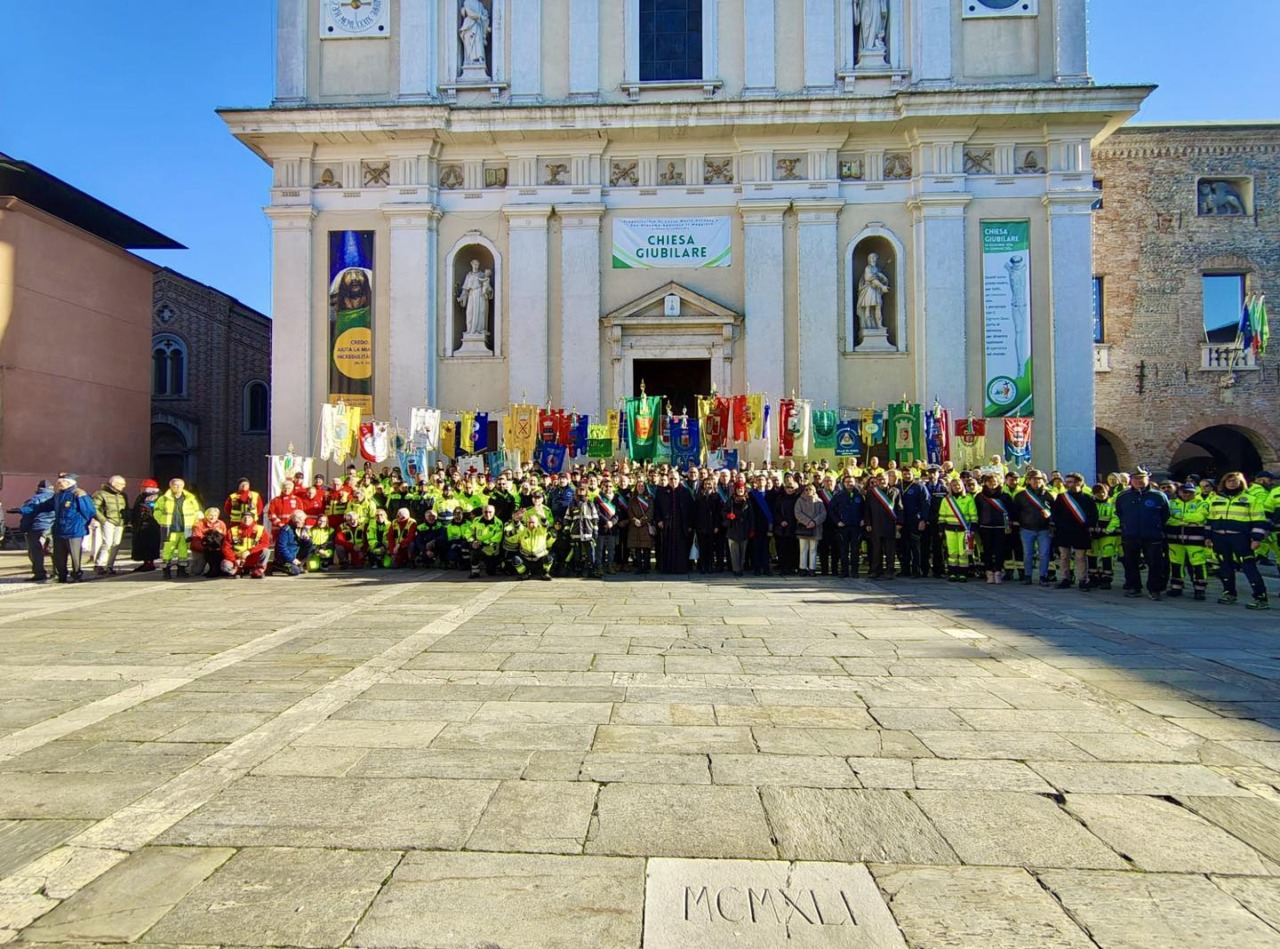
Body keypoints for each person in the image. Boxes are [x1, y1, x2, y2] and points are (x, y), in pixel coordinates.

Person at [1205, 471, 1269, 610]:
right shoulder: (1216, 499)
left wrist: (1256, 539)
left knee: (1248, 567)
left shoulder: (1251, 499)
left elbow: (1259, 520)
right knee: (1224, 566)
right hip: (1220, 537)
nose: (1232, 483)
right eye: (1229, 481)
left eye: (1235, 481)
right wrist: (1208, 536)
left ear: (1241, 483)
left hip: (1241, 537)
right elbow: (1210, 519)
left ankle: (1260, 597)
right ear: (1224, 483)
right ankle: (1229, 593)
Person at [28, 475, 98, 583]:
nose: (58, 484)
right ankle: (61, 576)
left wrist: (80, 524)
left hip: (74, 531)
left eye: (61, 482)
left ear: (69, 482)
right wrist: (23, 510)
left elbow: (89, 511)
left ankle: (76, 575)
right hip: (59, 531)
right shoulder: (58, 496)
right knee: (59, 557)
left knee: (75, 556)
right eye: (58, 482)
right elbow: (44, 506)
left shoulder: (79, 494)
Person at [1114, 469, 1170, 600]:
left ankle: (1154, 589)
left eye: (1142, 478)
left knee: (1155, 563)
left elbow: (1165, 514)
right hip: (1130, 534)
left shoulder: (1158, 496)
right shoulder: (1123, 496)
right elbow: (1120, 513)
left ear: (1148, 479)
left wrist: (1155, 526)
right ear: (1131, 480)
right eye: (1135, 479)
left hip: (1152, 535)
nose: (1139, 481)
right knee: (1130, 562)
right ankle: (1134, 587)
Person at [1052, 472, 1098, 590]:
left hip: (1080, 532)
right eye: (1066, 482)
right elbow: (1055, 514)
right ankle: (1065, 578)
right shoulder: (1061, 497)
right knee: (1064, 556)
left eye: (1070, 482)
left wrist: (1086, 525)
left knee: (1081, 557)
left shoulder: (1088, 498)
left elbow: (1093, 516)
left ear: (1079, 482)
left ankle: (1082, 580)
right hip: (1064, 531)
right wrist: (1061, 525)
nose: (1067, 484)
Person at [1165, 483, 1208, 600]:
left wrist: (1180, 517)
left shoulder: (1201, 503)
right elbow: (1167, 518)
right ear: (1179, 492)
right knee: (1176, 564)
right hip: (1175, 538)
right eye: (1184, 492)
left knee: (1197, 564)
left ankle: (1199, 589)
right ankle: (1176, 587)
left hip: (1195, 539)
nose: (1187, 494)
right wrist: (1185, 521)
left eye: (1190, 492)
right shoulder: (1172, 504)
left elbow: (1200, 517)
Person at [154, 478, 203, 579]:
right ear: (171, 486)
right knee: (167, 551)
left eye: (179, 485)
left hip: (185, 529)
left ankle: (181, 571)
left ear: (183, 486)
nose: (177, 487)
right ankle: (166, 572)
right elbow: (156, 511)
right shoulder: (163, 498)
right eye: (175, 485)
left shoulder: (190, 498)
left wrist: (194, 522)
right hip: (170, 530)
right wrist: (161, 520)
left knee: (183, 551)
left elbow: (197, 511)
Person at [1013, 470, 1054, 586]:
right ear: (1028, 481)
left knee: (1044, 554)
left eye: (1039, 479)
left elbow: (1055, 511)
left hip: (1044, 529)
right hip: (1027, 529)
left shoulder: (1049, 495)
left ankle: (1043, 576)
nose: (1036, 481)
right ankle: (1028, 576)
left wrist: (1049, 515)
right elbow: (1016, 512)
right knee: (1028, 554)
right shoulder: (1021, 496)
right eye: (1033, 479)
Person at [10, 480, 55, 582]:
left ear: (39, 488)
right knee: (54, 551)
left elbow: (28, 515)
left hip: (36, 528)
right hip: (52, 528)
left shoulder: (34, 499)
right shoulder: (56, 498)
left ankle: (39, 573)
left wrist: (23, 528)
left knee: (35, 552)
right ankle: (57, 572)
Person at [933, 476, 976, 583]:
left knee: (963, 553)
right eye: (954, 485)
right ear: (950, 487)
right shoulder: (946, 500)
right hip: (950, 530)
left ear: (962, 486)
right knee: (952, 552)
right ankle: (952, 573)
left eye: (958, 485)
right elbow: (942, 516)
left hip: (964, 529)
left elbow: (973, 515)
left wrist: (973, 529)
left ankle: (963, 574)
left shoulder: (968, 499)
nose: (956, 487)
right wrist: (940, 529)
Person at [975, 473, 1013, 583]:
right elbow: (977, 511)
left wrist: (1009, 525)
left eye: (994, 481)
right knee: (987, 550)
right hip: (985, 526)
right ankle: (989, 571)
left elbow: (1010, 511)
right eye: (990, 481)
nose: (992, 484)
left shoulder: (1005, 496)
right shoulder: (980, 496)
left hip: (1000, 526)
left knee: (999, 550)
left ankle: (998, 571)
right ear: (985, 483)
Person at [654, 471, 694, 574]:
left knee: (681, 548)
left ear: (679, 479)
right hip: (667, 525)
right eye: (671, 479)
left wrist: (690, 524)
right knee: (667, 547)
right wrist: (659, 520)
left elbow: (691, 509)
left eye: (675, 479)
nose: (673, 481)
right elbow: (656, 508)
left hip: (681, 525)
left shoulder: (685, 492)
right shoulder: (661, 492)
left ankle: (680, 568)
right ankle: (667, 568)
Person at [864, 474, 901, 579]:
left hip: (890, 525)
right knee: (877, 549)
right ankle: (876, 570)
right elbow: (867, 509)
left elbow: (900, 507)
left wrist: (899, 523)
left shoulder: (895, 491)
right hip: (875, 524)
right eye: (879, 480)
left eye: (883, 479)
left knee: (890, 549)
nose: (881, 481)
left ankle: (889, 570)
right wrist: (868, 523)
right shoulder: (871, 493)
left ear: (888, 480)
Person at [90, 476, 129, 575]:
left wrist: (127, 519)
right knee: (107, 543)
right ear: (114, 483)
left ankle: (110, 566)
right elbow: (94, 508)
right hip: (108, 521)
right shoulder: (101, 493)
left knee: (116, 544)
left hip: (120, 522)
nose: (124, 486)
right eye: (121, 484)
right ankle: (99, 564)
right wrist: (103, 520)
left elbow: (126, 508)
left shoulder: (123, 495)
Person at [722, 481, 755, 578]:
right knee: (734, 552)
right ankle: (736, 569)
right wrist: (728, 515)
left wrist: (752, 529)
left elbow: (751, 517)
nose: (740, 490)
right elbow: (723, 512)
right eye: (738, 488)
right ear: (735, 490)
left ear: (744, 489)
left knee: (743, 551)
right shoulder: (730, 501)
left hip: (744, 529)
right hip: (733, 529)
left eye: (742, 488)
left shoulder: (748, 502)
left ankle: (741, 567)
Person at [566, 485, 601, 578]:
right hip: (576, 533)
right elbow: (567, 517)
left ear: (586, 492)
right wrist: (566, 529)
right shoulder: (572, 504)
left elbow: (595, 518)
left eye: (583, 490)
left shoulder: (590, 504)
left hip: (588, 532)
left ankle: (591, 571)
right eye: (579, 490)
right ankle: (578, 571)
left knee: (590, 553)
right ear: (577, 491)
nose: (581, 492)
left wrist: (596, 530)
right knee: (577, 554)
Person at [794, 481, 827, 577]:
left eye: (810, 489)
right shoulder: (800, 500)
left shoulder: (819, 501)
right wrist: (807, 522)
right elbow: (797, 513)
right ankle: (802, 568)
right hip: (803, 528)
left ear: (814, 491)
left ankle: (812, 568)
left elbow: (823, 514)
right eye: (806, 489)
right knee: (803, 549)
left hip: (815, 528)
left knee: (813, 549)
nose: (808, 491)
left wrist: (814, 522)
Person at [222, 511, 269, 579]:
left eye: (249, 517)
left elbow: (265, 543)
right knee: (225, 565)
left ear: (253, 519)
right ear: (241, 519)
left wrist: (250, 551)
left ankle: (257, 571)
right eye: (244, 517)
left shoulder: (260, 529)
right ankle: (237, 571)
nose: (247, 519)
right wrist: (234, 560)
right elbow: (226, 547)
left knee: (266, 551)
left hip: (254, 558)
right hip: (237, 559)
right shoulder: (232, 530)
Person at [693, 479, 724, 575]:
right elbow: (695, 511)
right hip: (701, 525)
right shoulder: (699, 496)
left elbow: (718, 513)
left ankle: (710, 565)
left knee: (710, 547)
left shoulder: (716, 496)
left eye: (709, 483)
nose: (707, 485)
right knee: (702, 547)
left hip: (711, 525)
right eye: (706, 483)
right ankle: (702, 566)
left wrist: (716, 525)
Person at [131, 480, 162, 571]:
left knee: (150, 544)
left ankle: (150, 563)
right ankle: (145, 562)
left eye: (144, 487)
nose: (142, 489)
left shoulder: (156, 497)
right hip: (140, 524)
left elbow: (158, 510)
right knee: (141, 544)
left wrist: (149, 510)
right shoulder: (141, 496)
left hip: (151, 525)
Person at [513, 512, 553, 580]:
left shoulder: (542, 531)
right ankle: (525, 574)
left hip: (539, 560)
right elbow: (517, 526)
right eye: (529, 522)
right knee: (516, 559)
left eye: (533, 522)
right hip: (526, 560)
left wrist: (543, 517)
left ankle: (544, 573)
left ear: (537, 523)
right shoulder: (523, 531)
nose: (531, 524)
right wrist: (516, 519)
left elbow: (545, 525)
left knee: (549, 558)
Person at [191, 508, 228, 578]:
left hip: (217, 548)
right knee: (196, 571)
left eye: (215, 515)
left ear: (218, 516)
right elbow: (196, 540)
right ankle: (210, 569)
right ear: (206, 515)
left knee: (218, 558)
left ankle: (216, 570)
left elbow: (225, 538)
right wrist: (206, 548)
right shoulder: (198, 524)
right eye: (210, 515)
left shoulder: (221, 524)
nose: (212, 517)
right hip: (202, 548)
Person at [467, 505, 503, 577]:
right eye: (485, 512)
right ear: (482, 512)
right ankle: (475, 572)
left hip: (491, 550)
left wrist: (484, 542)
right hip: (479, 546)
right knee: (473, 550)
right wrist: (472, 541)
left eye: (490, 512)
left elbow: (497, 538)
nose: (487, 514)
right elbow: (468, 532)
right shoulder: (476, 520)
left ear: (494, 512)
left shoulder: (498, 523)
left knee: (491, 572)